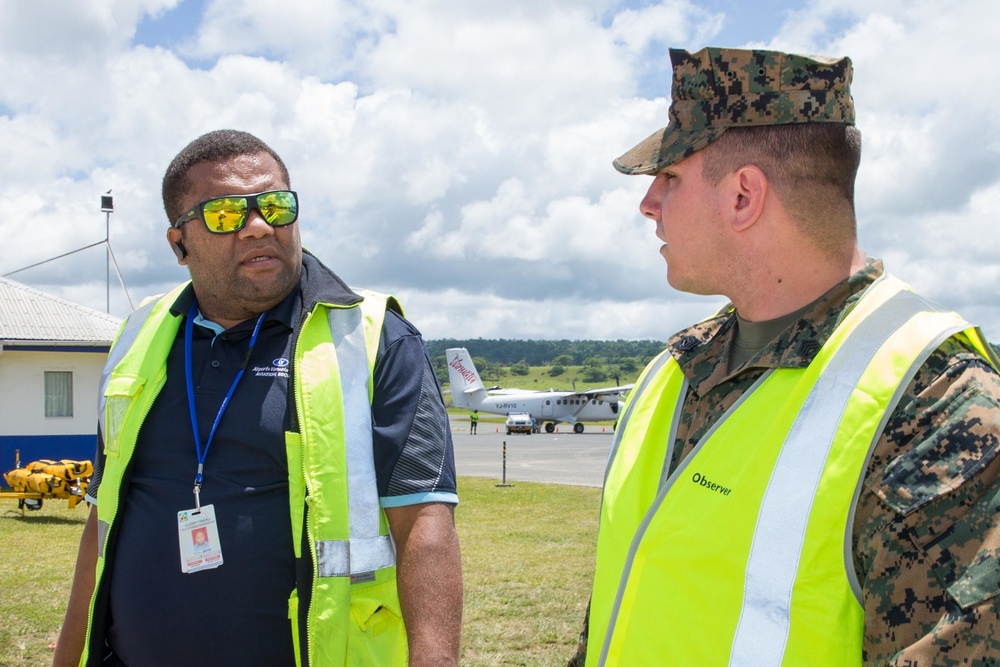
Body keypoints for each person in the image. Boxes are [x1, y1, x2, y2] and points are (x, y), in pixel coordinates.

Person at [573, 47, 1000, 665]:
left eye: (668, 178)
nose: (648, 205)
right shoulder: (676, 368)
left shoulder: (939, 409)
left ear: (744, 196)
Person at [53, 130, 463, 667]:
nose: (260, 226)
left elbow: (425, 522)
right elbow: (102, 521)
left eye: (276, 205)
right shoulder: (139, 336)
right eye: (225, 214)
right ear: (179, 244)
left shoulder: (373, 337)